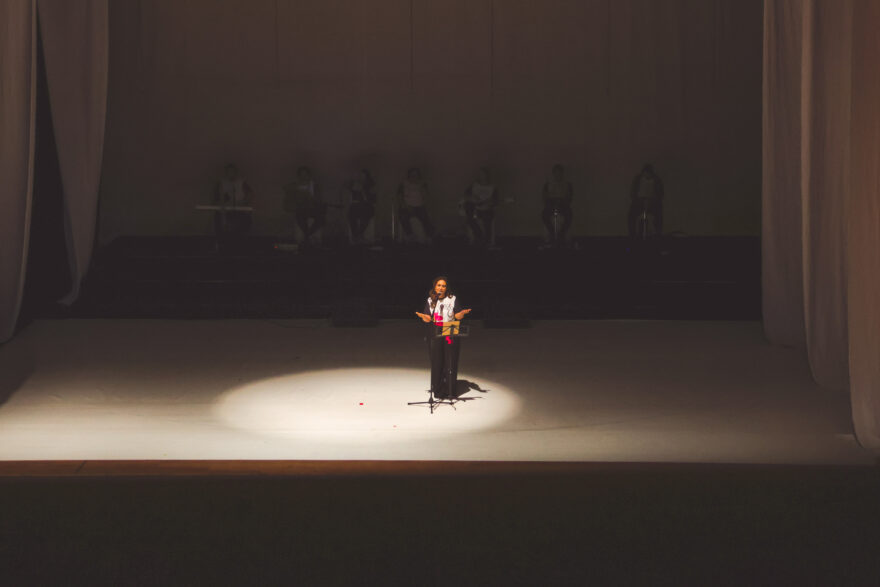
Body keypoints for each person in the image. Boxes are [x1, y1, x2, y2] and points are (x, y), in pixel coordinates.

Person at [414, 277, 472, 399]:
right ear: (435, 287)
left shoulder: (452, 299)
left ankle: (450, 390)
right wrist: (423, 316)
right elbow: (428, 317)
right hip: (435, 332)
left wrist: (461, 314)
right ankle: (439, 390)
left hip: (449, 331)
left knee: (450, 360)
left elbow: (457, 315)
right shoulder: (431, 300)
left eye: (443, 286)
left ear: (446, 288)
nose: (441, 288)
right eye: (439, 285)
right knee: (437, 361)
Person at [283, 166, 326, 245]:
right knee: (300, 217)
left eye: (306, 175)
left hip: (313, 210)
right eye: (301, 175)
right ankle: (306, 236)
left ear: (309, 176)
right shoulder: (294, 186)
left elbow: (319, 200)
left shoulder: (314, 186)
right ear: (299, 176)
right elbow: (288, 197)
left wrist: (311, 196)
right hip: (301, 210)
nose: (304, 177)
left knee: (321, 218)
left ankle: (308, 235)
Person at [213, 163, 254, 244]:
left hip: (240, 211)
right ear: (226, 173)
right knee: (220, 222)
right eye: (229, 172)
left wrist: (243, 202)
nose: (231, 174)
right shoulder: (221, 183)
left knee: (245, 222)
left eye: (232, 172)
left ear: (236, 172)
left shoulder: (241, 182)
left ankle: (241, 242)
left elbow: (250, 194)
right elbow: (218, 198)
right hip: (226, 212)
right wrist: (223, 205)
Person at [463, 166, 500, 247]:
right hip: (475, 208)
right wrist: (472, 198)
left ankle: (486, 241)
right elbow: (465, 196)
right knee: (467, 208)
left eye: (484, 174)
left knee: (487, 219)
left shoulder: (493, 187)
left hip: (486, 209)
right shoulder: (474, 185)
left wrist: (490, 202)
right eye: (480, 174)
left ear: (487, 176)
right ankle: (478, 234)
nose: (482, 176)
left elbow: (496, 201)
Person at [397, 167, 435, 243]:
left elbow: (426, 196)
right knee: (403, 216)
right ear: (409, 176)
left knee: (425, 218)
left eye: (416, 175)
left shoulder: (422, 184)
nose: (414, 177)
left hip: (419, 207)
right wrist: (405, 205)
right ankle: (410, 235)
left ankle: (429, 236)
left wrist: (422, 188)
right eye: (412, 175)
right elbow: (399, 196)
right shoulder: (403, 184)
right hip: (407, 206)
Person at [628, 163, 664, 238]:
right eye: (646, 173)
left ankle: (658, 233)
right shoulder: (637, 179)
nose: (647, 175)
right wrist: (639, 200)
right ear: (643, 173)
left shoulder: (657, 180)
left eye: (649, 174)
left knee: (659, 215)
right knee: (631, 215)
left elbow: (661, 194)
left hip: (653, 203)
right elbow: (633, 192)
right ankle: (632, 234)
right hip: (639, 202)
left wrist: (652, 200)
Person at [541, 164, 573, 245]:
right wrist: (551, 201)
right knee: (544, 215)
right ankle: (552, 232)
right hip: (551, 204)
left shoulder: (568, 185)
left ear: (562, 174)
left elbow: (569, 198)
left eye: (560, 173)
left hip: (563, 204)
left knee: (569, 215)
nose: (558, 175)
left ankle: (561, 234)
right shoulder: (548, 184)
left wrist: (562, 202)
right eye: (556, 173)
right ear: (553, 174)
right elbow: (544, 197)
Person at [345, 169, 377, 244]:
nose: (361, 178)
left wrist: (364, 194)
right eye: (360, 176)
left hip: (366, 205)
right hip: (356, 205)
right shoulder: (355, 183)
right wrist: (352, 185)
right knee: (351, 213)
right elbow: (347, 187)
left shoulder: (370, 185)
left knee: (366, 213)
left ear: (367, 177)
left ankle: (358, 235)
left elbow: (373, 198)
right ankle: (356, 236)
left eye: (363, 176)